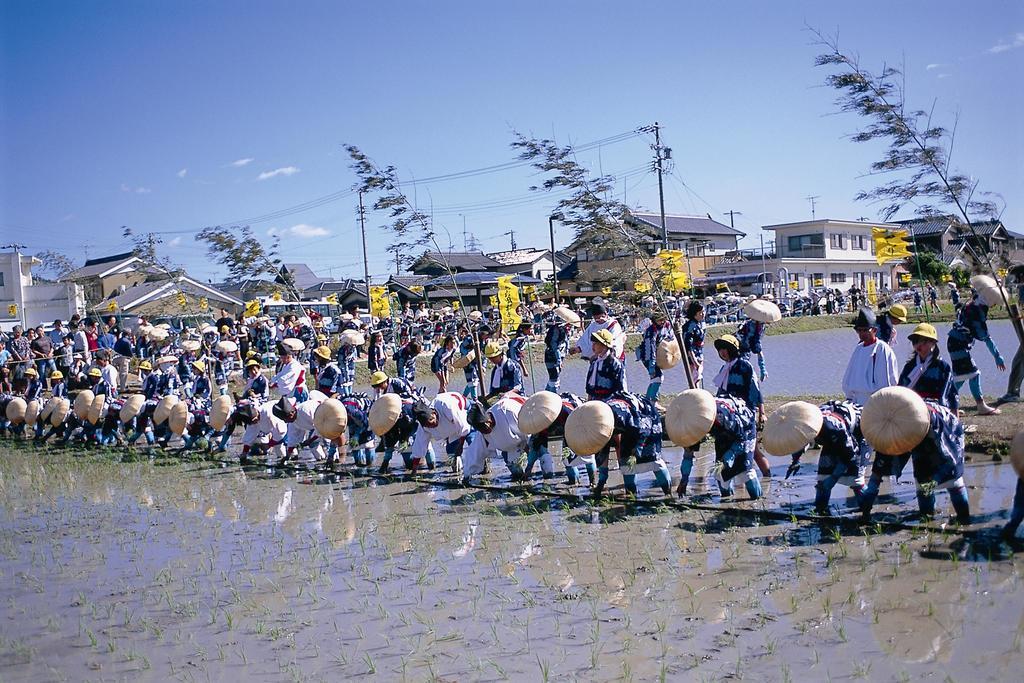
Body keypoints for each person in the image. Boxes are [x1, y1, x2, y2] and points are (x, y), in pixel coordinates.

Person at [710, 333, 769, 477]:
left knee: (752, 449)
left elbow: (755, 389)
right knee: (748, 449)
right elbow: (721, 393)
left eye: (726, 349)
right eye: (721, 350)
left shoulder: (744, 366)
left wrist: (762, 412)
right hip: (731, 414)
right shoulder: (724, 369)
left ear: (732, 349)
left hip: (745, 413)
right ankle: (759, 478)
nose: (723, 352)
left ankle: (768, 478)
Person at [946, 291, 1005, 415]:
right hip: (958, 344)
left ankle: (947, 404)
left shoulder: (972, 305)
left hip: (954, 342)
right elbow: (986, 338)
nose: (994, 305)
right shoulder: (977, 313)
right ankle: (981, 406)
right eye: (994, 302)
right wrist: (997, 356)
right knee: (973, 374)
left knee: (960, 377)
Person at [462, 395, 530, 483]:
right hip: (511, 447)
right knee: (517, 474)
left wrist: (530, 464)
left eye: (484, 429)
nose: (484, 432)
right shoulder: (482, 433)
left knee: (542, 457)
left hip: (529, 429)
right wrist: (467, 476)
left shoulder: (508, 413)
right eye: (480, 430)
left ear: (488, 422)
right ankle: (521, 478)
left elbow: (528, 434)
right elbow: (474, 453)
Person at [841, 308, 899, 406]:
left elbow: (888, 381)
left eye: (865, 330)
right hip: (856, 401)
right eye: (859, 330)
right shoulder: (859, 349)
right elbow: (849, 377)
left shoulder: (882, 349)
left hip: (876, 402)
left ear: (874, 330)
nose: (862, 334)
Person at [898, 323, 958, 409]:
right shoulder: (909, 366)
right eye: (915, 341)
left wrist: (954, 417)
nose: (918, 344)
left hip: (937, 409)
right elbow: (901, 389)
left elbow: (951, 394)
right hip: (912, 407)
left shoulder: (942, 367)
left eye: (923, 341)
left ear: (933, 343)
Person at [637, 311, 673, 399]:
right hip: (647, 355)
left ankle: (649, 399)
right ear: (654, 321)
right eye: (659, 320)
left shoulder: (667, 324)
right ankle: (651, 400)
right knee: (657, 377)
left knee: (656, 378)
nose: (662, 322)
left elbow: (671, 336)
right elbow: (650, 348)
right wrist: (651, 365)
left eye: (663, 319)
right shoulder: (651, 331)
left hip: (658, 353)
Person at [585, 329, 624, 400]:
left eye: (595, 343)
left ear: (604, 345)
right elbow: (589, 385)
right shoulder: (594, 362)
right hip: (595, 399)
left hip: (610, 400)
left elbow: (620, 387)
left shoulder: (614, 363)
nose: (593, 346)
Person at [543, 308, 575, 392]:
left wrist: (567, 351)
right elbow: (554, 345)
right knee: (554, 377)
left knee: (555, 376)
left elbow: (566, 342)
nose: (570, 327)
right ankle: (553, 394)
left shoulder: (565, 331)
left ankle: (548, 392)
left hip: (560, 355)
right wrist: (558, 360)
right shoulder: (557, 330)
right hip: (551, 355)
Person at [680, 300, 706, 388]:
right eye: (700, 312)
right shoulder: (690, 326)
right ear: (695, 313)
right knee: (694, 380)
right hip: (692, 357)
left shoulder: (698, 324)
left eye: (703, 312)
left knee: (697, 380)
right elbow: (688, 346)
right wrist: (695, 362)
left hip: (699, 354)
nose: (703, 314)